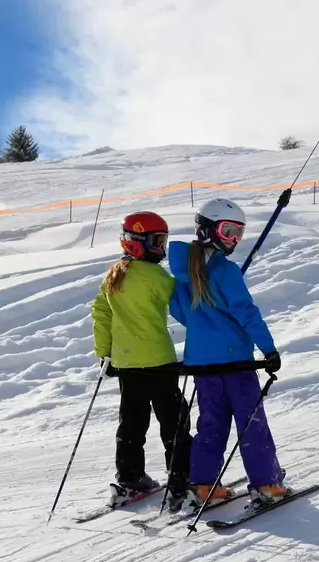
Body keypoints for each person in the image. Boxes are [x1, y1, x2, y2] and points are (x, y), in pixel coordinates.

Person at [169, 197, 288, 509]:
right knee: (250, 423)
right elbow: (246, 312)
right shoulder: (226, 271)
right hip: (236, 363)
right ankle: (267, 483)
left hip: (203, 366)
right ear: (207, 229)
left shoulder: (183, 273)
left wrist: (209, 324)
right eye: (228, 230)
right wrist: (268, 348)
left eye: (238, 232)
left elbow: (182, 313)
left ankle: (204, 484)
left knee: (211, 423)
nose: (234, 239)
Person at [91, 211, 188, 504]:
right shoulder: (157, 276)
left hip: (126, 363)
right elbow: (182, 305)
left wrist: (104, 352)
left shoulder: (113, 274)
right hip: (158, 361)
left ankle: (130, 477)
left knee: (132, 422)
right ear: (135, 242)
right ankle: (183, 478)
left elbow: (101, 312)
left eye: (164, 241)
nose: (161, 248)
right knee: (173, 420)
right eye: (157, 242)